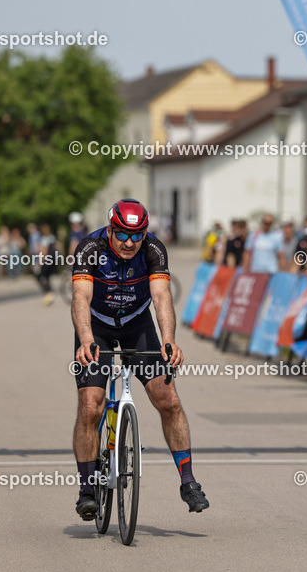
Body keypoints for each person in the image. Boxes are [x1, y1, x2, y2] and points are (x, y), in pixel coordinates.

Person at [70, 198, 209, 520]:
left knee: (168, 399)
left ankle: (188, 481)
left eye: (138, 235)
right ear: (110, 229)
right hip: (97, 328)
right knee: (90, 405)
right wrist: (87, 338)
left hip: (137, 325)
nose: (130, 243)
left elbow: (161, 296)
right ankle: (87, 488)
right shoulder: (90, 248)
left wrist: (170, 339)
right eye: (123, 235)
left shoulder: (153, 250)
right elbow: (80, 296)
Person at [36, 223, 57, 305]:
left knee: (39, 276)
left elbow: (43, 252)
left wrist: (40, 262)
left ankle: (48, 292)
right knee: (47, 277)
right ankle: (50, 293)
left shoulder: (44, 239)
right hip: (52, 261)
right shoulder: (52, 238)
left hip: (46, 261)